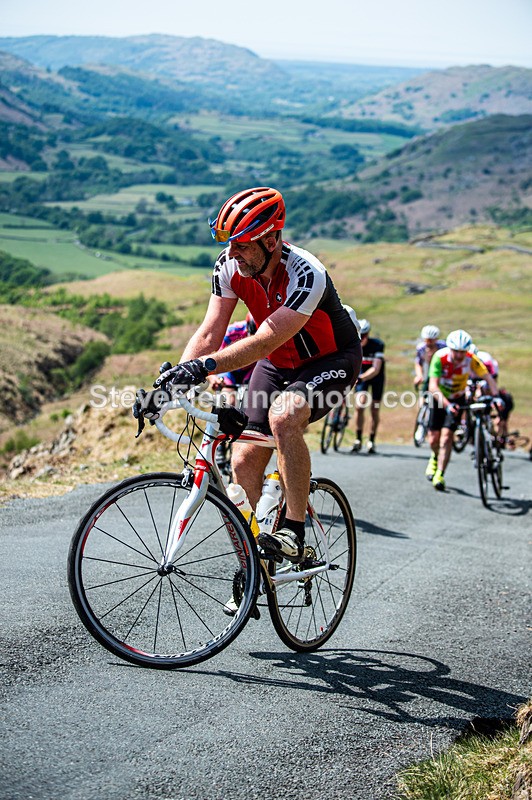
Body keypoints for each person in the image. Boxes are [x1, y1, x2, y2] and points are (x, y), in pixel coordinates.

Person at [154, 186, 362, 563]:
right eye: (229, 244)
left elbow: (265, 339)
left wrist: (204, 366)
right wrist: (170, 384)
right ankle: (253, 567)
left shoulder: (307, 273)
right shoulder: (230, 266)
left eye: (242, 245)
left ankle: (294, 532)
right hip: (277, 363)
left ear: (271, 239)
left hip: (331, 360)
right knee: (242, 460)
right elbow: (209, 333)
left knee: (284, 417)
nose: (232, 253)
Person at [426, 329, 499, 491]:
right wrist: (446, 404)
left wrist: (497, 396)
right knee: (433, 438)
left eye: (462, 352)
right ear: (450, 348)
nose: (459, 356)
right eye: (456, 352)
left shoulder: (471, 359)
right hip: (439, 398)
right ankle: (434, 457)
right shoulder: (440, 357)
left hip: (457, 398)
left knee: (446, 437)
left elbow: (488, 377)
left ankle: (440, 474)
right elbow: (433, 386)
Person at [351, 319, 385, 454]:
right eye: (359, 335)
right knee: (359, 406)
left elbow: (376, 369)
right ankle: (358, 439)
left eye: (364, 335)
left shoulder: (377, 345)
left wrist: (360, 378)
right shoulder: (353, 343)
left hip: (375, 378)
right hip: (361, 377)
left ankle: (371, 440)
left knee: (375, 409)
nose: (361, 338)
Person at [469, 344, 514, 445]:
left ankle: (488, 419)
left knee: (486, 392)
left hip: (486, 377)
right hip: (471, 379)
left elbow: (492, 380)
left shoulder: (486, 361)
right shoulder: (461, 362)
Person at [414, 325, 446, 392]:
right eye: (427, 340)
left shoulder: (443, 346)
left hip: (443, 372)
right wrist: (419, 375)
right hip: (429, 371)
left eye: (431, 340)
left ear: (436, 339)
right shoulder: (421, 348)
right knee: (424, 394)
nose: (429, 343)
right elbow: (418, 362)